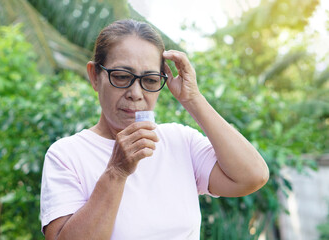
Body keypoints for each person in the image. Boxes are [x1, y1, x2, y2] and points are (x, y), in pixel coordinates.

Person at [40, 19, 269, 240]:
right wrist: (116, 172)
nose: (136, 93)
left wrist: (192, 99)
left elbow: (253, 176)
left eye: (149, 80)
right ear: (94, 76)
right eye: (121, 76)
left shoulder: (180, 141)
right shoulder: (66, 155)